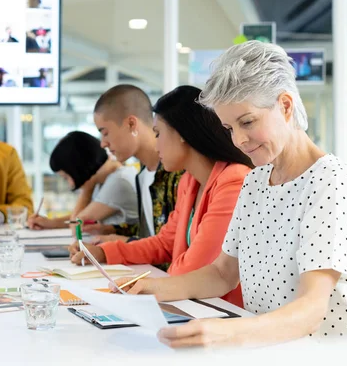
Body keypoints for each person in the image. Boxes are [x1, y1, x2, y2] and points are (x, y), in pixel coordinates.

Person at [112, 41, 347, 347]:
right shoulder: (256, 181)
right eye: (229, 128)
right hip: (280, 348)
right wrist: (149, 288)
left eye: (247, 122)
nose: (238, 140)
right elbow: (223, 274)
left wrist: (225, 332)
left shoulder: (331, 182)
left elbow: (311, 310)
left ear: (286, 106)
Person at [71, 86, 253, 306]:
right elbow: (165, 243)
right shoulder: (189, 181)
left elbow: (193, 267)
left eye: (158, 133)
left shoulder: (234, 181)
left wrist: (153, 282)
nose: (156, 144)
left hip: (223, 311)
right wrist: (104, 253)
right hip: (195, 304)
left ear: (183, 134)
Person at [86, 84, 183, 242]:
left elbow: (172, 243)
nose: (103, 144)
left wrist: (122, 242)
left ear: (131, 124)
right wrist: (109, 230)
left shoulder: (177, 172)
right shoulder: (143, 173)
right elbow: (153, 230)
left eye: (106, 133)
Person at [27, 131, 138, 231]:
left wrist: (87, 190)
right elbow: (82, 216)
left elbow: (76, 227)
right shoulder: (107, 178)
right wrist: (50, 223)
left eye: (66, 177)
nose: (70, 184)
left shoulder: (118, 182)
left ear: (78, 168)